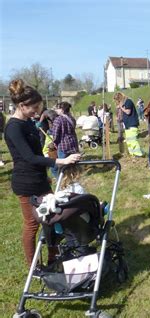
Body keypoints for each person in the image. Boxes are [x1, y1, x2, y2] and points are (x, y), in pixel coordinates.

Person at [4, 79, 80, 267]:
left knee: (52, 218)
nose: (38, 112)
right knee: (33, 224)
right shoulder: (13, 128)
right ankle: (34, 267)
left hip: (39, 180)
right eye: (34, 108)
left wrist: (45, 173)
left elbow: (38, 153)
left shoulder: (30, 123)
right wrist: (59, 161)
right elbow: (29, 157)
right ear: (22, 105)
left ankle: (54, 257)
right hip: (25, 183)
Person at [51, 102, 80, 178]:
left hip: (63, 145)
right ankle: (72, 179)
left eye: (57, 108)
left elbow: (55, 134)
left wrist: (54, 142)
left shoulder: (58, 119)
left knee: (60, 167)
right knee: (72, 166)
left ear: (62, 109)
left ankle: (61, 182)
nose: (56, 110)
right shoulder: (72, 118)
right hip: (73, 144)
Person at [113, 92, 143, 157]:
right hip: (127, 125)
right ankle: (132, 153)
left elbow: (128, 112)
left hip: (132, 124)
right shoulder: (124, 103)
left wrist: (121, 107)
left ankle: (139, 154)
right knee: (129, 141)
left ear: (120, 98)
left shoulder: (128, 101)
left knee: (133, 140)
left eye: (118, 100)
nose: (117, 102)